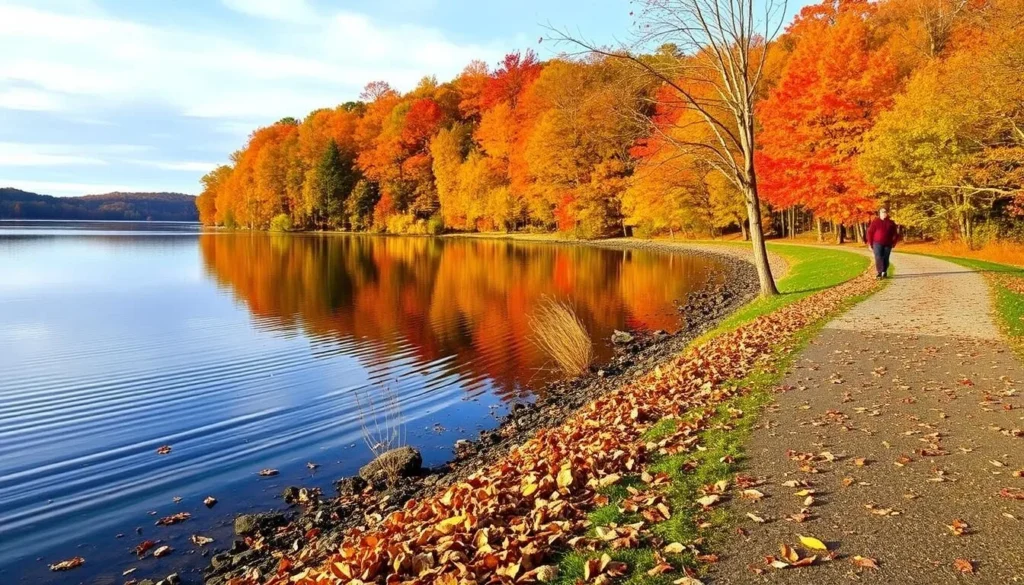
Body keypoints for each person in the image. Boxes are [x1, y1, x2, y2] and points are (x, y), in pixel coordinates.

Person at [866, 208, 899, 278]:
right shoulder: (875, 222)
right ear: (879, 214)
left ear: (887, 213)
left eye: (885, 212)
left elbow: (895, 234)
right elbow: (870, 233)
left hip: (888, 244)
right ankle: (879, 272)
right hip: (877, 243)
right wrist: (870, 243)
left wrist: (894, 242)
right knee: (878, 257)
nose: (884, 213)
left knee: (886, 258)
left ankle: (884, 271)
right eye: (882, 212)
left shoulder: (891, 223)